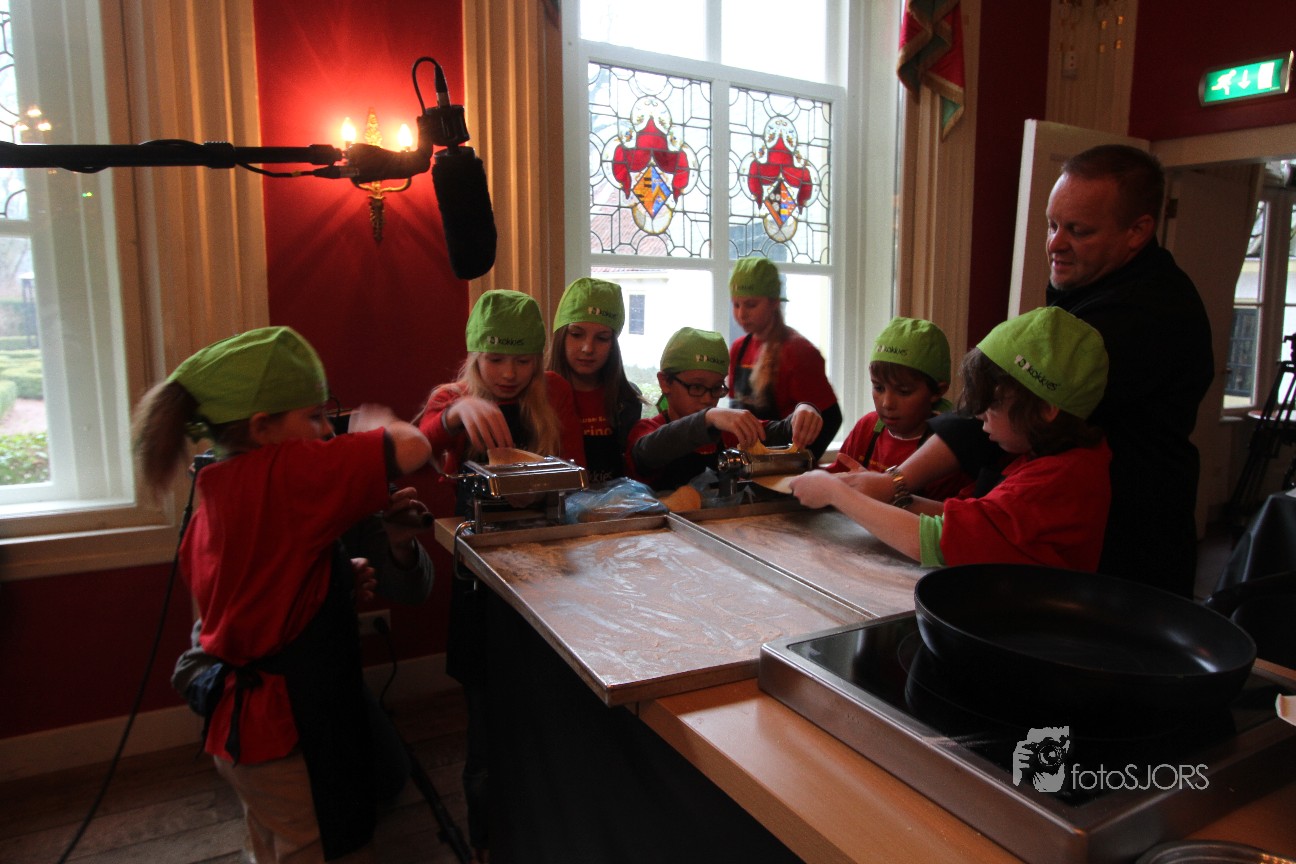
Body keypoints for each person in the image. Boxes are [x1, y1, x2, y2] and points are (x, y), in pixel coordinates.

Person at [844, 145, 1213, 595]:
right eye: (1052, 225)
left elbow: (1005, 407)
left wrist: (888, 484)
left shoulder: (1151, 314)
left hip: (1128, 541)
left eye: (1078, 230)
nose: (1055, 243)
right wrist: (895, 487)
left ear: (1137, 231)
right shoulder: (1091, 282)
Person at [133, 326, 432, 863]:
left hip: (242, 729)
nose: (326, 430)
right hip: (285, 729)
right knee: (317, 846)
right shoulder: (285, 476)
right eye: (314, 416)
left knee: (270, 840)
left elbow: (257, 593)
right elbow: (412, 446)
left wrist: (333, 580)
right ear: (261, 427)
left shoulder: (219, 489)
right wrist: (378, 425)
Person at [414, 288, 583, 861]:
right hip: (481, 585)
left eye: (523, 360)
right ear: (475, 357)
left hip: (549, 576)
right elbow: (420, 451)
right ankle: (485, 840)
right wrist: (453, 416)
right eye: (495, 360)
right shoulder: (452, 399)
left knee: (544, 709)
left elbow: (577, 472)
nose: (509, 374)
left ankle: (544, 827)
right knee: (485, 722)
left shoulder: (555, 393)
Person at [791, 306, 1112, 571]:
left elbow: (930, 541)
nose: (980, 414)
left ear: (1045, 409)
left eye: (993, 403)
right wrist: (892, 496)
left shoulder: (1058, 482)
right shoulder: (1046, 459)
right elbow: (964, 516)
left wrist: (836, 493)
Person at [627, 326, 823, 492]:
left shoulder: (729, 435)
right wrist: (707, 418)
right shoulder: (647, 431)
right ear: (665, 382)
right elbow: (647, 453)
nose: (707, 399)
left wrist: (803, 412)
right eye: (696, 387)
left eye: (716, 388)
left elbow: (779, 433)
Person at [825, 316, 967, 500]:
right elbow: (834, 481)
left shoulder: (947, 448)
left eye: (903, 392)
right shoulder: (867, 428)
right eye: (879, 388)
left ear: (937, 391)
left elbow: (942, 514)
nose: (887, 403)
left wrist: (881, 489)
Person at [727, 256, 842, 460]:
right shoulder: (738, 348)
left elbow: (831, 419)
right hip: (748, 463)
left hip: (782, 468)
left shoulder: (798, 352)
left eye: (751, 305)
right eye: (736, 305)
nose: (741, 314)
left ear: (773, 303)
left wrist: (796, 462)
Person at [546, 277, 647, 484]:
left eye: (601, 338)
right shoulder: (538, 394)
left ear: (613, 344)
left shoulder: (626, 399)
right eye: (576, 334)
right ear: (561, 335)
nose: (588, 348)